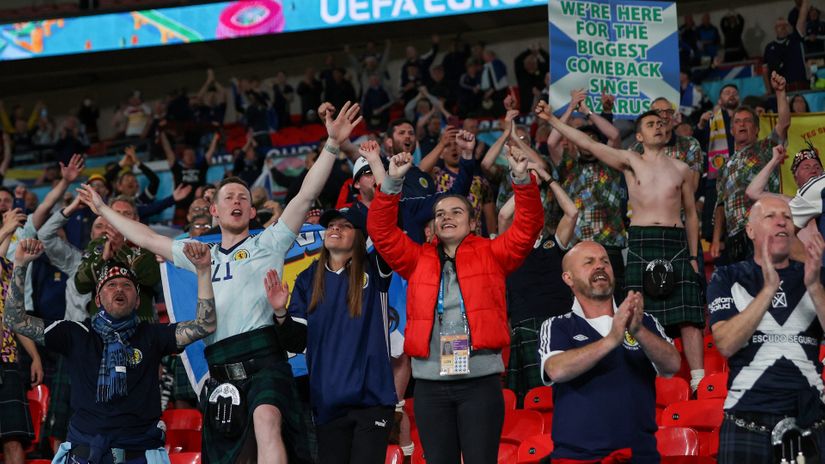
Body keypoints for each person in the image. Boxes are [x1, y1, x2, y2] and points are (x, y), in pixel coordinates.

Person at [77, 101, 363, 464]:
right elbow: (147, 238)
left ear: (251, 209)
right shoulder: (197, 251)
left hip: (265, 360)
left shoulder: (270, 241)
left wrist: (332, 145)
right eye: (229, 197)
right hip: (220, 369)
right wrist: (103, 210)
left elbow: (305, 194)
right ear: (214, 210)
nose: (237, 201)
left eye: (243, 197)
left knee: (268, 421)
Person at [367, 146, 543, 464]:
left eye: (456, 212)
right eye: (440, 214)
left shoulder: (492, 252)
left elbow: (527, 228)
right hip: (430, 387)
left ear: (473, 222)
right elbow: (381, 231)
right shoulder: (417, 258)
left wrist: (521, 180)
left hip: (480, 382)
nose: (447, 217)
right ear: (433, 226)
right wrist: (391, 183)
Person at [537, 100, 705, 391]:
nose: (659, 127)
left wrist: (692, 256)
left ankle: (698, 381)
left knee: (689, 316)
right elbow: (586, 143)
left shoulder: (682, 169)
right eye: (651, 124)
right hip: (641, 240)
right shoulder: (630, 161)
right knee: (638, 311)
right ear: (638, 136)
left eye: (662, 124)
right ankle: (651, 380)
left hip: (676, 242)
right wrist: (552, 119)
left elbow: (691, 215)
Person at [4, 239, 216, 464]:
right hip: (85, 453)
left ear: (136, 302)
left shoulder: (152, 335)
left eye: (127, 285)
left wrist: (203, 272)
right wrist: (20, 264)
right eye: (111, 285)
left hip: (140, 453)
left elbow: (205, 325)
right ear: (98, 299)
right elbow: (14, 319)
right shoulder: (75, 332)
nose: (119, 289)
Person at [268, 207, 396, 464]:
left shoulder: (375, 268)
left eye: (345, 225)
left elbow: (386, 229)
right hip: (328, 403)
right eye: (331, 225)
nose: (335, 228)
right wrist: (281, 313)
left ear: (360, 236)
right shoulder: (307, 279)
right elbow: (296, 340)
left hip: (372, 400)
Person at [539, 242, 680, 463]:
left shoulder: (644, 321)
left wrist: (638, 331)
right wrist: (612, 339)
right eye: (589, 262)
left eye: (605, 261)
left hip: (638, 456)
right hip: (578, 458)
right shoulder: (557, 325)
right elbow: (556, 369)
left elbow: (673, 365)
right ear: (568, 278)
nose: (600, 266)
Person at [708, 197, 825, 462]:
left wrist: (815, 287)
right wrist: (768, 290)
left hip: (811, 422)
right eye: (770, 216)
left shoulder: (817, 275)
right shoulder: (727, 277)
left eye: (786, 216)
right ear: (750, 231)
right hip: (746, 422)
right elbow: (725, 343)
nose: (781, 220)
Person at [500, 164, 578, 403]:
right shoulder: (509, 248)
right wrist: (527, 184)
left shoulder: (553, 244)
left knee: (566, 393)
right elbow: (503, 215)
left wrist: (547, 178)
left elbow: (572, 213)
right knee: (533, 399)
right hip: (525, 326)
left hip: (560, 323)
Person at [712, 72, 791, 264]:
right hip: (734, 236)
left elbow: (784, 123)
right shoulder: (724, 167)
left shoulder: (766, 147)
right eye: (737, 122)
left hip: (763, 226)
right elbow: (720, 205)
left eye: (747, 121)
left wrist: (780, 92)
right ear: (731, 130)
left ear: (756, 129)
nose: (742, 125)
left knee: (767, 280)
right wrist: (716, 239)